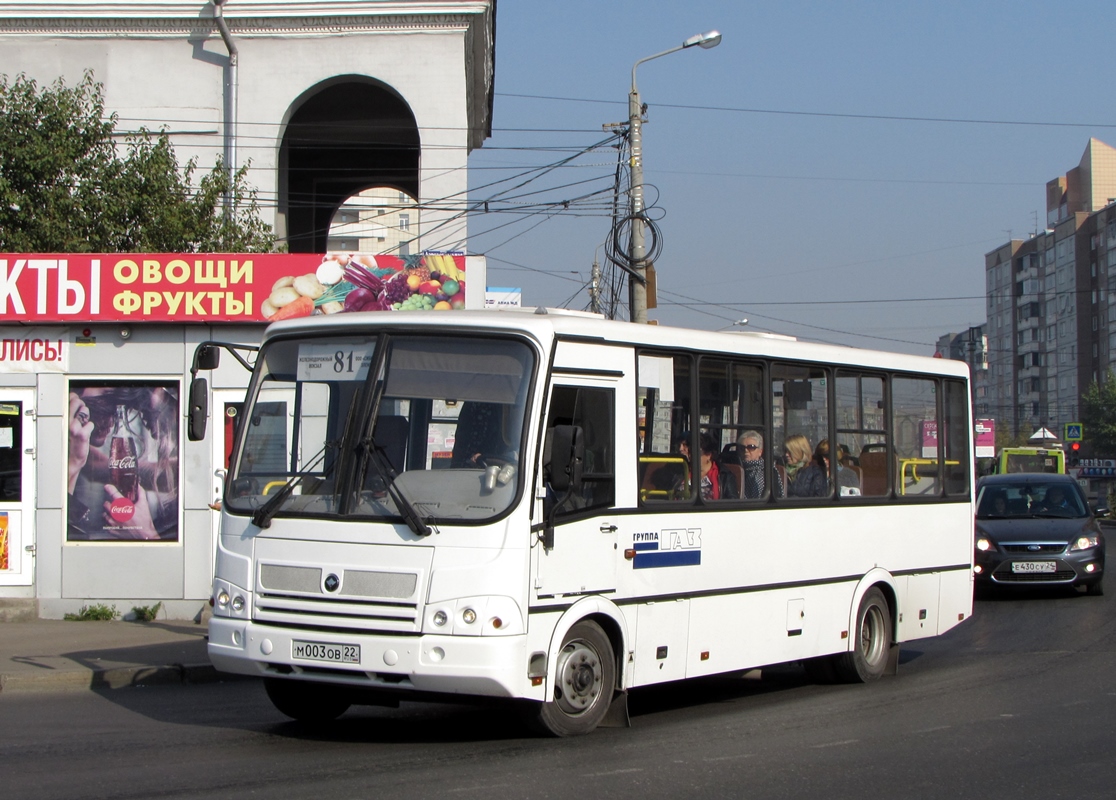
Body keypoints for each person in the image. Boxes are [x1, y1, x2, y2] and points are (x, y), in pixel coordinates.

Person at [789, 439, 854, 497]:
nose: (824, 459)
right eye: (820, 457)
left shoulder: (849, 475)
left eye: (827, 456)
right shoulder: (809, 473)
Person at [738, 430, 784, 499]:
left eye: (751, 447)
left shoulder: (767, 471)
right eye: (742, 448)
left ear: (760, 451)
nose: (746, 451)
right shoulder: (736, 470)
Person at [698, 432, 738, 500]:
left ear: (708, 455)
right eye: (690, 452)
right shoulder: (681, 473)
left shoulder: (725, 476)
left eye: (697, 452)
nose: (691, 455)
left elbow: (732, 503)